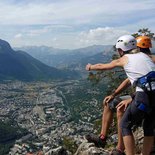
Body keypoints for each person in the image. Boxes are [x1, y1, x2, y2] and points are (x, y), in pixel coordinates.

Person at [86, 35, 155, 155]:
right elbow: (132, 80)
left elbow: (103, 66)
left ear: (120, 50)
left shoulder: (124, 59)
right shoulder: (146, 57)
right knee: (148, 129)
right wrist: (115, 94)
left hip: (143, 97)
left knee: (125, 125)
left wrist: (90, 67)